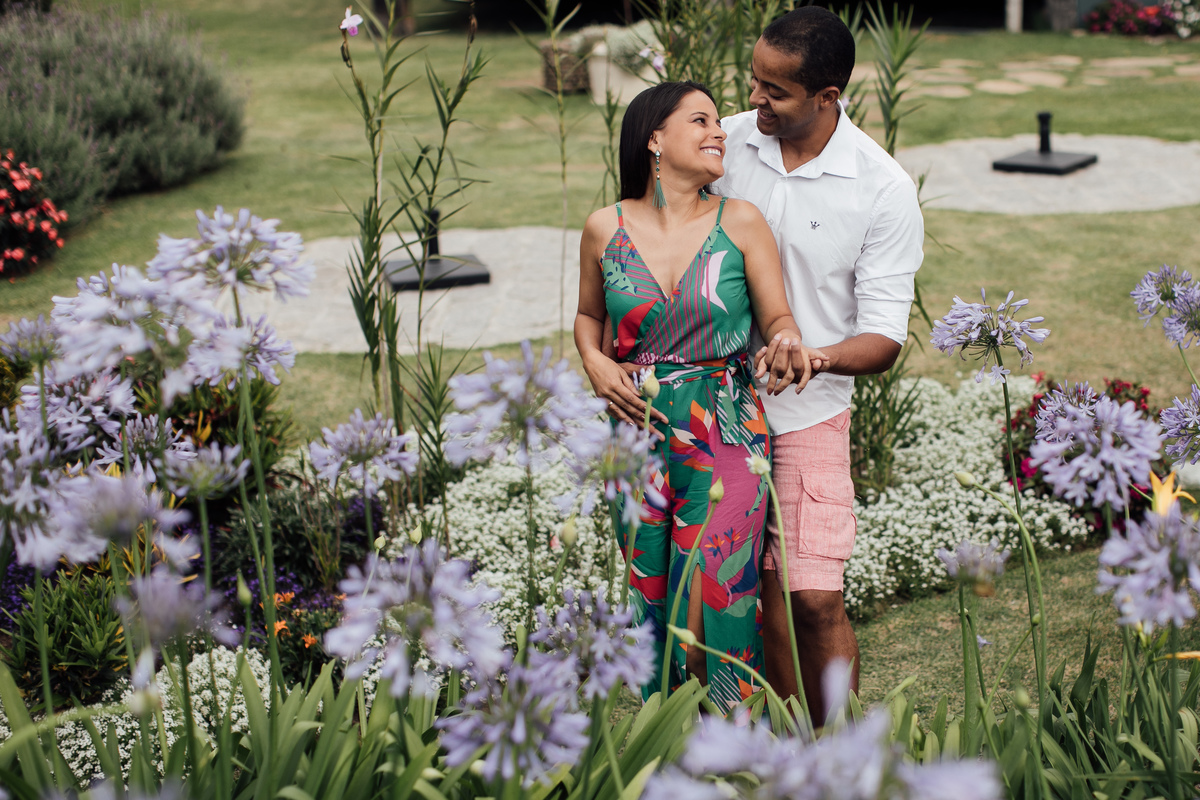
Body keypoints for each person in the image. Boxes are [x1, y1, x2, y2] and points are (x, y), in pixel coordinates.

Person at [574, 80, 823, 710]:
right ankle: (671, 742)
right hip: (632, 436)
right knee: (648, 589)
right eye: (701, 120)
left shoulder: (738, 219)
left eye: (718, 122)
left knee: (716, 589)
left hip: (726, 427)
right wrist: (594, 362)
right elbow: (586, 315)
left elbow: (778, 318)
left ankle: (737, 741)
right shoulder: (604, 228)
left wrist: (788, 340)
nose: (719, 133)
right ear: (655, 137)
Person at [712, 7, 925, 720]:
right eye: (753, 81)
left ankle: (844, 753)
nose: (753, 100)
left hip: (810, 414)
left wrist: (816, 357)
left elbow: (885, 336)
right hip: (717, 412)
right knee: (759, 602)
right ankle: (787, 751)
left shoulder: (881, 187)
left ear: (828, 97)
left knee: (812, 596)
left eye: (775, 91)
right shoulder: (728, 146)